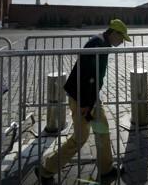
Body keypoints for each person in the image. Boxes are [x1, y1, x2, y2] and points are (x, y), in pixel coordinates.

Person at [36, 19, 131, 183]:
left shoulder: (101, 42)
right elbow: (89, 75)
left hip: (86, 97)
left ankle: (105, 169)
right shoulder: (99, 44)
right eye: (122, 37)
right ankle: (47, 169)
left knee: (97, 133)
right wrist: (86, 104)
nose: (122, 42)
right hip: (84, 98)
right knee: (83, 137)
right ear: (114, 32)